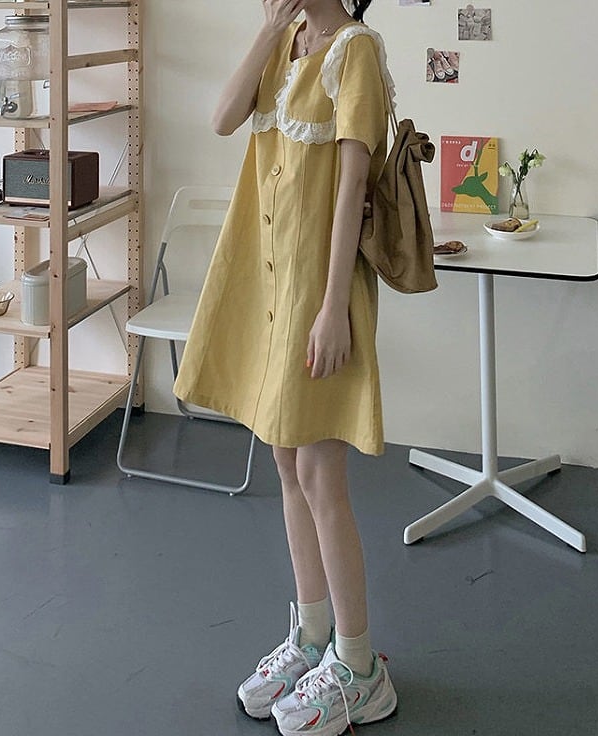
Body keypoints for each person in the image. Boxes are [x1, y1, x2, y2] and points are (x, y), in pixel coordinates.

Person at [174, 1, 398, 733]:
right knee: (284, 461)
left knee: (321, 473)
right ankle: (311, 635)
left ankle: (360, 668)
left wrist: (334, 308)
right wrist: (270, 30)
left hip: (317, 296)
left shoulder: (356, 50)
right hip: (270, 289)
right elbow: (222, 119)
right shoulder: (285, 43)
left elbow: (352, 187)